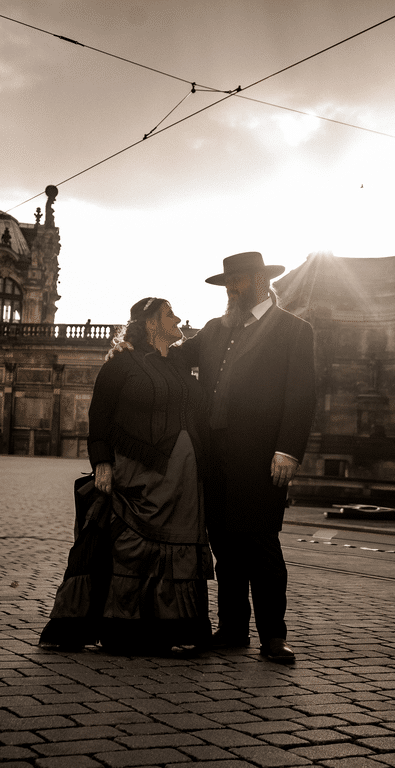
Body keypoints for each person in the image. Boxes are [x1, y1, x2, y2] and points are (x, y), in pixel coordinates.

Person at [39, 297, 213, 654]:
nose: (178, 318)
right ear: (151, 323)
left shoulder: (179, 360)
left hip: (184, 479)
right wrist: (102, 462)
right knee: (129, 546)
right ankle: (124, 627)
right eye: (169, 314)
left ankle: (169, 630)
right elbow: (99, 415)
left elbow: (218, 339)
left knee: (176, 546)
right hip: (141, 468)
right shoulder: (122, 363)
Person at [179, 251, 316, 663]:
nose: (231, 290)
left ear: (259, 280)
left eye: (236, 282)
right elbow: (174, 357)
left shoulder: (294, 330)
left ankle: (274, 636)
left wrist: (288, 449)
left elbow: (302, 395)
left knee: (261, 545)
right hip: (215, 456)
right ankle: (233, 629)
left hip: (262, 457)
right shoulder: (214, 329)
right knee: (225, 547)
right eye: (227, 284)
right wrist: (132, 347)